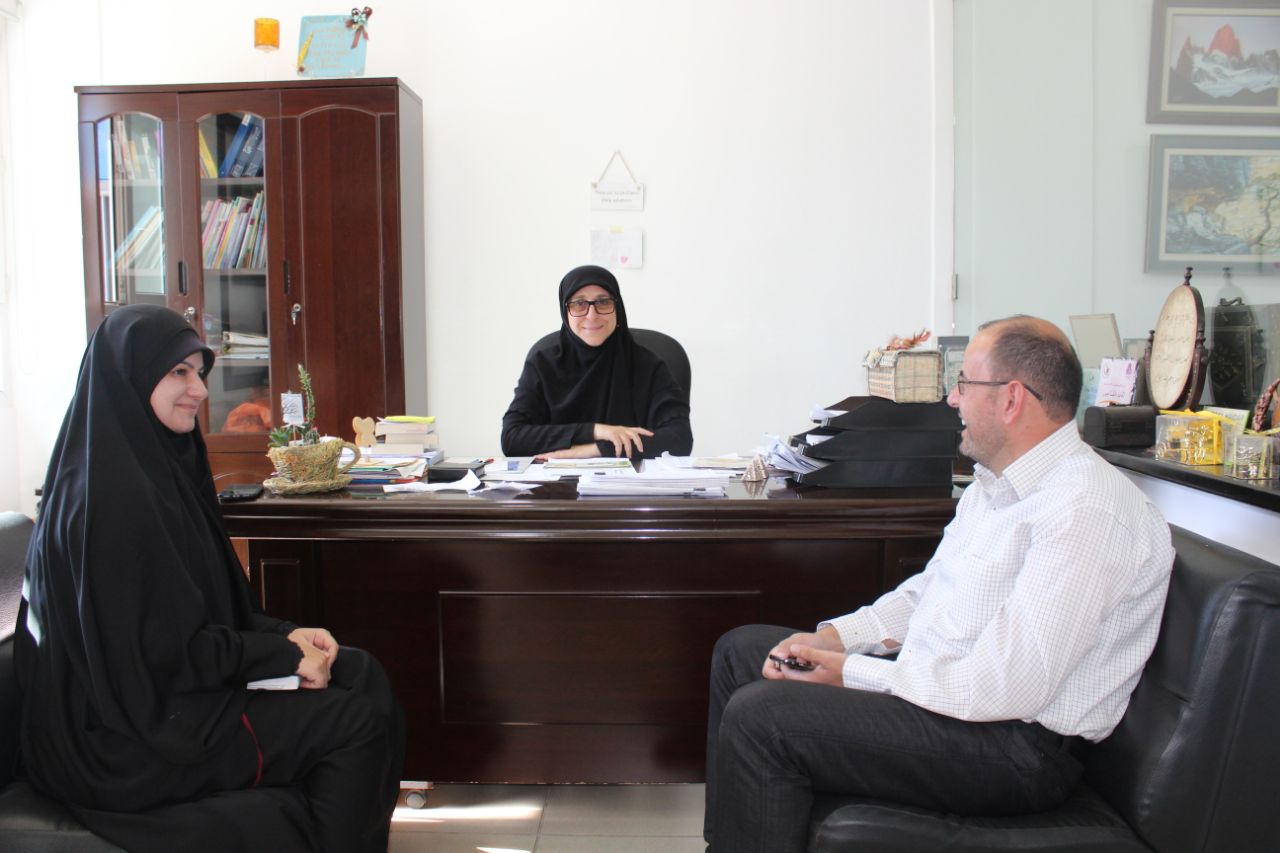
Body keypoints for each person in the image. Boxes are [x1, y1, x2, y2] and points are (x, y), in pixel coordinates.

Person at [703, 315, 1175, 852]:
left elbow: (1002, 689)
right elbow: (927, 593)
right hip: (953, 702)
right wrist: (836, 639)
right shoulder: (996, 486)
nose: (952, 400)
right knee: (742, 653)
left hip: (1013, 746)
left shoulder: (1085, 510)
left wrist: (850, 672)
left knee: (764, 718)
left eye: (963, 384)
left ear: (1011, 398)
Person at [17, 305, 404, 853]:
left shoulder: (151, 470)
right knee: (351, 723)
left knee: (360, 673)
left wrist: (286, 634)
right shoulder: (110, 504)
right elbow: (161, 655)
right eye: (178, 371)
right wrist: (282, 655)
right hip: (119, 738)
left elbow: (203, 611)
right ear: (131, 375)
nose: (199, 390)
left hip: (161, 693)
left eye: (199, 372)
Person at [501, 264, 693, 460]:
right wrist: (597, 431)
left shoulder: (648, 366)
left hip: (631, 479)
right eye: (579, 303)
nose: (592, 315)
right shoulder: (542, 365)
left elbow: (680, 439)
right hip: (556, 480)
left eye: (603, 302)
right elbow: (512, 438)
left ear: (617, 308)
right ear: (565, 312)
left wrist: (593, 450)